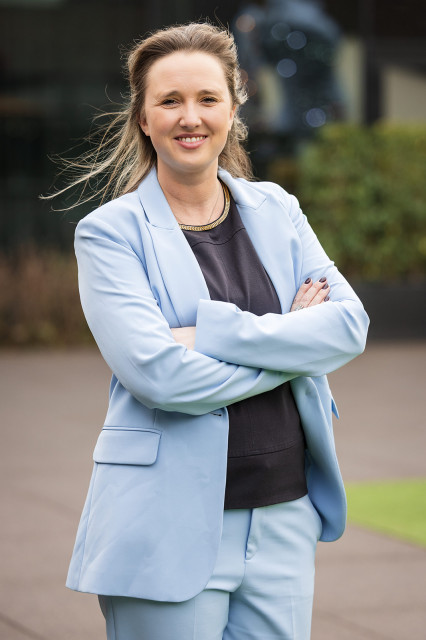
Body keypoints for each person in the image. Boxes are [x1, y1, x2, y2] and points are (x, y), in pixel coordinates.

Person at [62, 22, 369, 640]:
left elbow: (348, 325)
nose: (190, 117)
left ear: (233, 108)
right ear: (144, 118)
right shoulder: (109, 233)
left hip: (284, 516)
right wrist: (293, 339)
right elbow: (161, 377)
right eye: (169, 101)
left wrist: (209, 334)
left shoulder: (278, 209)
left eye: (207, 98)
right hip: (164, 521)